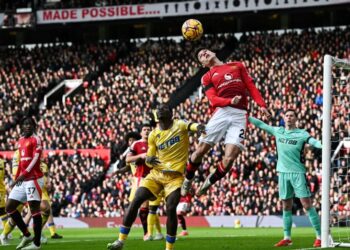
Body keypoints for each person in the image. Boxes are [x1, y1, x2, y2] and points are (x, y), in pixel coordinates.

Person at [107, 103, 205, 250]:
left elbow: (192, 125)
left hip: (175, 178)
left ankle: (168, 248)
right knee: (136, 201)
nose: (160, 110)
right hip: (156, 175)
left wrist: (200, 128)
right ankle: (120, 241)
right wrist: (148, 159)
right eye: (158, 110)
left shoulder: (179, 124)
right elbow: (150, 158)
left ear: (170, 114)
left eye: (164, 108)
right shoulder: (153, 134)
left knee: (171, 208)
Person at [181, 47, 271, 197]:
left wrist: (262, 105)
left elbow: (251, 86)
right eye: (200, 56)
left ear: (214, 52)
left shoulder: (237, 65)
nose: (203, 53)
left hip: (240, 115)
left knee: (229, 159)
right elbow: (213, 100)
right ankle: (188, 179)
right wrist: (230, 100)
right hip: (221, 112)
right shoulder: (207, 76)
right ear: (203, 64)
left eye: (205, 51)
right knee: (199, 152)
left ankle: (208, 182)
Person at [249, 109, 321, 248]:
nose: (289, 118)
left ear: (295, 118)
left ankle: (319, 236)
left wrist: (323, 145)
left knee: (306, 204)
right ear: (284, 118)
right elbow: (261, 124)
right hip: (282, 173)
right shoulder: (278, 131)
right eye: (287, 115)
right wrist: (246, 115)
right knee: (286, 205)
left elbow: (313, 142)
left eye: (291, 116)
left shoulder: (301, 133)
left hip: (297, 173)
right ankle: (287, 237)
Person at [6, 117, 44, 250]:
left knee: (34, 209)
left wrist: (23, 174)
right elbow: (22, 163)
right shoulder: (21, 140)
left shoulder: (36, 139)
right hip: (23, 179)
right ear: (22, 127)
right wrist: (16, 178)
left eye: (30, 124)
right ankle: (27, 234)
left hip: (33, 178)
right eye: (25, 124)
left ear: (34, 126)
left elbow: (35, 159)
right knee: (9, 207)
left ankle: (37, 243)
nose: (27, 126)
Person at [23, 160, 63, 243]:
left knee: (48, 211)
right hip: (35, 189)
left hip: (44, 191)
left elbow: (47, 176)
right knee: (31, 213)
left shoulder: (44, 165)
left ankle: (51, 232)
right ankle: (26, 232)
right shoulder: (31, 163)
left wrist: (48, 183)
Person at [125, 123, 152, 241]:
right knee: (142, 205)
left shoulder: (155, 143)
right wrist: (141, 156)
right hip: (142, 177)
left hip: (157, 177)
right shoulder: (137, 144)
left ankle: (160, 233)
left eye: (148, 129)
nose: (146, 131)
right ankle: (146, 232)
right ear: (141, 132)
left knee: (156, 207)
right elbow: (128, 159)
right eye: (144, 129)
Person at [0, 156, 9, 244]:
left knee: (2, 211)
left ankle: (6, 233)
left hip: (0, 190)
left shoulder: (1, 162)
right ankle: (7, 233)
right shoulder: (3, 161)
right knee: (2, 211)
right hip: (1, 189)